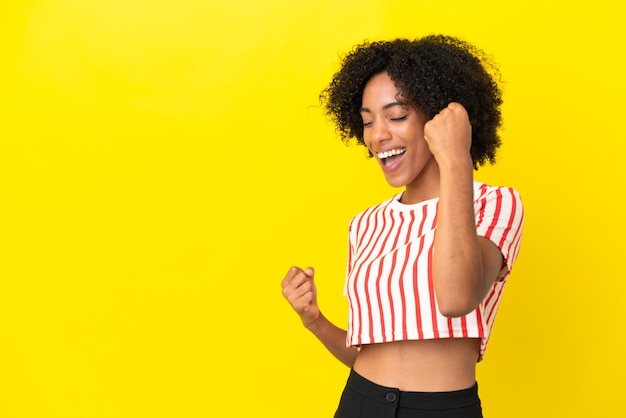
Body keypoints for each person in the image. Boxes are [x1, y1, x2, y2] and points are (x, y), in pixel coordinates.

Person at [281, 34, 524, 418]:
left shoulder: (495, 204)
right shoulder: (366, 225)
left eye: (396, 116)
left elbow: (456, 298)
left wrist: (456, 158)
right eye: (366, 122)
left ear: (439, 118)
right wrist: (314, 320)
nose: (378, 135)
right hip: (360, 402)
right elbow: (371, 355)